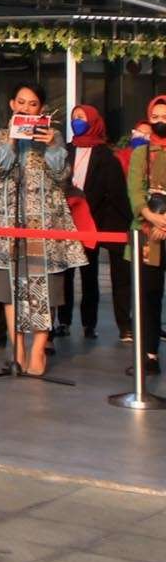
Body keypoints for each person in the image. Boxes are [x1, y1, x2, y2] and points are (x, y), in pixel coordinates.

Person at [0, 82, 86, 377]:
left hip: (46, 222)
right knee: (10, 287)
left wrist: (53, 145)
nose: (26, 108)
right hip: (9, 222)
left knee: (47, 288)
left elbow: (61, 174)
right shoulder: (1, 136)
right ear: (12, 105)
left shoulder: (53, 138)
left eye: (32, 104)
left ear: (41, 109)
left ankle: (39, 348)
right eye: (21, 102)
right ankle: (17, 349)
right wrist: (12, 143)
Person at [57, 104, 132, 341]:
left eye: (82, 117)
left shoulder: (106, 155)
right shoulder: (65, 150)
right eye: (74, 117)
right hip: (67, 220)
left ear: (93, 120)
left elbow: (115, 191)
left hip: (95, 221)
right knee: (65, 275)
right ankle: (64, 320)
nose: (77, 121)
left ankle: (90, 324)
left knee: (90, 275)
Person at [125, 95, 166, 377]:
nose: (161, 121)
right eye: (156, 117)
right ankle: (149, 355)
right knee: (148, 296)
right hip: (147, 232)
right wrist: (151, 217)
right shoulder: (141, 152)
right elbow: (135, 190)